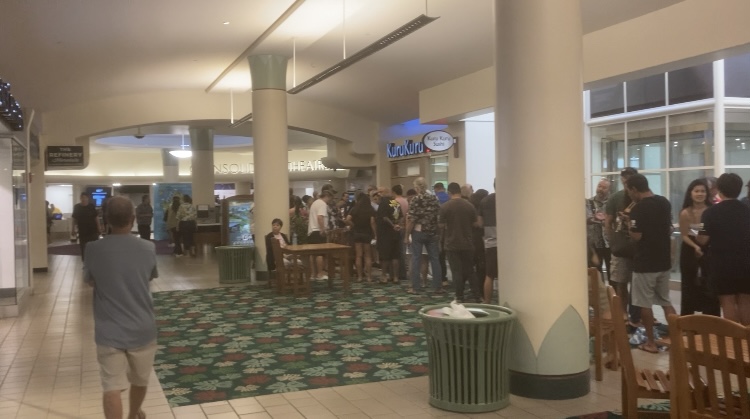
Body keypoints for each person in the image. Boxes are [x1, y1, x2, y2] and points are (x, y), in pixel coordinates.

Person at [84, 196, 158, 419]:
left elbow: (90, 280)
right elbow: (150, 277)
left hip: (109, 329)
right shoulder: (148, 248)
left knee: (111, 387)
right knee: (140, 379)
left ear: (106, 219)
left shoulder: (93, 249)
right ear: (133, 219)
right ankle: (134, 414)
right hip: (143, 326)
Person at [625, 174, 676, 353]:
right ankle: (676, 341)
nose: (629, 195)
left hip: (645, 262)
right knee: (665, 301)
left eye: (628, 190)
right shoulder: (664, 202)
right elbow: (669, 227)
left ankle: (651, 343)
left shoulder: (637, 209)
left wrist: (628, 225)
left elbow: (637, 236)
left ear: (633, 189)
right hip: (663, 261)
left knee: (644, 304)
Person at [698, 173, 750, 325]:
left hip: (722, 264)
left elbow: (703, 239)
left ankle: (734, 342)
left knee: (727, 302)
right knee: (746, 302)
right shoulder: (747, 210)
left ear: (719, 189)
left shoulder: (710, 212)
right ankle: (747, 340)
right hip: (746, 262)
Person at [605, 167, 641, 327]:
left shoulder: (643, 197)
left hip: (639, 248)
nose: (627, 184)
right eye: (624, 181)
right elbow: (608, 222)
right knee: (620, 282)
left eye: (630, 180)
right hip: (620, 248)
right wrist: (612, 241)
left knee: (638, 284)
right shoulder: (615, 198)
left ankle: (636, 315)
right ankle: (622, 313)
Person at [678, 179, 719, 316]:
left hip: (709, 249)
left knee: (709, 285)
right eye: (696, 191)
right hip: (689, 249)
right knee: (689, 285)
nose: (700, 194)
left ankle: (711, 321)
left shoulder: (712, 211)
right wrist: (695, 246)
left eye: (702, 191)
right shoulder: (685, 213)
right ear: (690, 193)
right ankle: (688, 322)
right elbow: (684, 235)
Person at [440, 182, 481, 302]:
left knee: (456, 271)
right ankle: (477, 296)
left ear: (449, 192)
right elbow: (476, 223)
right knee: (470, 271)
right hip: (467, 242)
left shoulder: (445, 207)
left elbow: (441, 225)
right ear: (459, 191)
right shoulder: (469, 206)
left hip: (451, 243)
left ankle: (459, 296)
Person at [405, 177, 443, 294]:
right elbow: (438, 218)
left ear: (416, 188)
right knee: (435, 259)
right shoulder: (434, 198)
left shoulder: (416, 200)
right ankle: (438, 287)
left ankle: (415, 287)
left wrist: (406, 235)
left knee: (416, 258)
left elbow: (412, 220)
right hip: (432, 232)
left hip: (418, 232)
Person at [346, 192, 377, 282]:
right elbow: (372, 222)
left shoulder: (354, 209)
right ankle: (369, 277)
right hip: (367, 233)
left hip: (357, 233)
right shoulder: (370, 210)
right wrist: (375, 234)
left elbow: (347, 220)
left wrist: (353, 225)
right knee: (367, 256)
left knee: (358, 256)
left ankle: (359, 277)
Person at [376, 187, 403, 283]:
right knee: (395, 256)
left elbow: (384, 217)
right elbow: (401, 217)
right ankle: (395, 277)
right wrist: (398, 225)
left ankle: (384, 277)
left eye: (380, 192)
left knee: (385, 256)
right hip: (395, 233)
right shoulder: (395, 202)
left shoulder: (383, 203)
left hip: (385, 233)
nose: (379, 194)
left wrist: (393, 225)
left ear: (385, 193)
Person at [587, 179, 611, 281]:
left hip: (609, 243)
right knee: (596, 273)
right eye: (599, 186)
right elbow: (585, 219)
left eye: (604, 187)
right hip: (595, 243)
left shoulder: (612, 202)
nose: (600, 189)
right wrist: (593, 219)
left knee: (612, 274)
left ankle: (612, 295)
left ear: (609, 190)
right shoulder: (589, 202)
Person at [478, 182, 497, 304]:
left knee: (489, 275)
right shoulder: (511, 198)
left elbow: (480, 223)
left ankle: (487, 301)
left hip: (491, 243)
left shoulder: (485, 201)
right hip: (510, 244)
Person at [308, 190, 334, 280]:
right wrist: (323, 230)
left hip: (311, 231)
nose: (330, 200)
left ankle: (313, 274)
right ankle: (320, 274)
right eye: (330, 198)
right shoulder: (322, 204)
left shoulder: (315, 203)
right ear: (327, 196)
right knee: (320, 254)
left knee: (312, 254)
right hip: (318, 231)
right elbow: (320, 217)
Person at [72, 192, 103, 261]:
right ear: (80, 198)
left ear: (88, 198)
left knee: (94, 246)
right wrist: (73, 229)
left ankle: (94, 260)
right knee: (83, 247)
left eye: (85, 197)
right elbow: (74, 219)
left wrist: (99, 227)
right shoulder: (77, 207)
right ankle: (85, 261)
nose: (84, 199)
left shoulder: (91, 206)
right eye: (82, 197)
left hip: (93, 230)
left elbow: (96, 217)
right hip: (82, 230)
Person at [470, 189, 488, 297]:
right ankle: (480, 290)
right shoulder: (480, 209)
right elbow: (479, 224)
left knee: (472, 266)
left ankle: (474, 289)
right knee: (481, 266)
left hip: (472, 239)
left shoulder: (471, 207)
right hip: (480, 240)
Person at [392, 184, 409, 282]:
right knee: (403, 250)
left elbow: (395, 216)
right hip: (405, 227)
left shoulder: (394, 202)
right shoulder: (406, 201)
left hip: (398, 228)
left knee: (397, 252)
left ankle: (400, 273)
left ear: (394, 192)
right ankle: (404, 272)